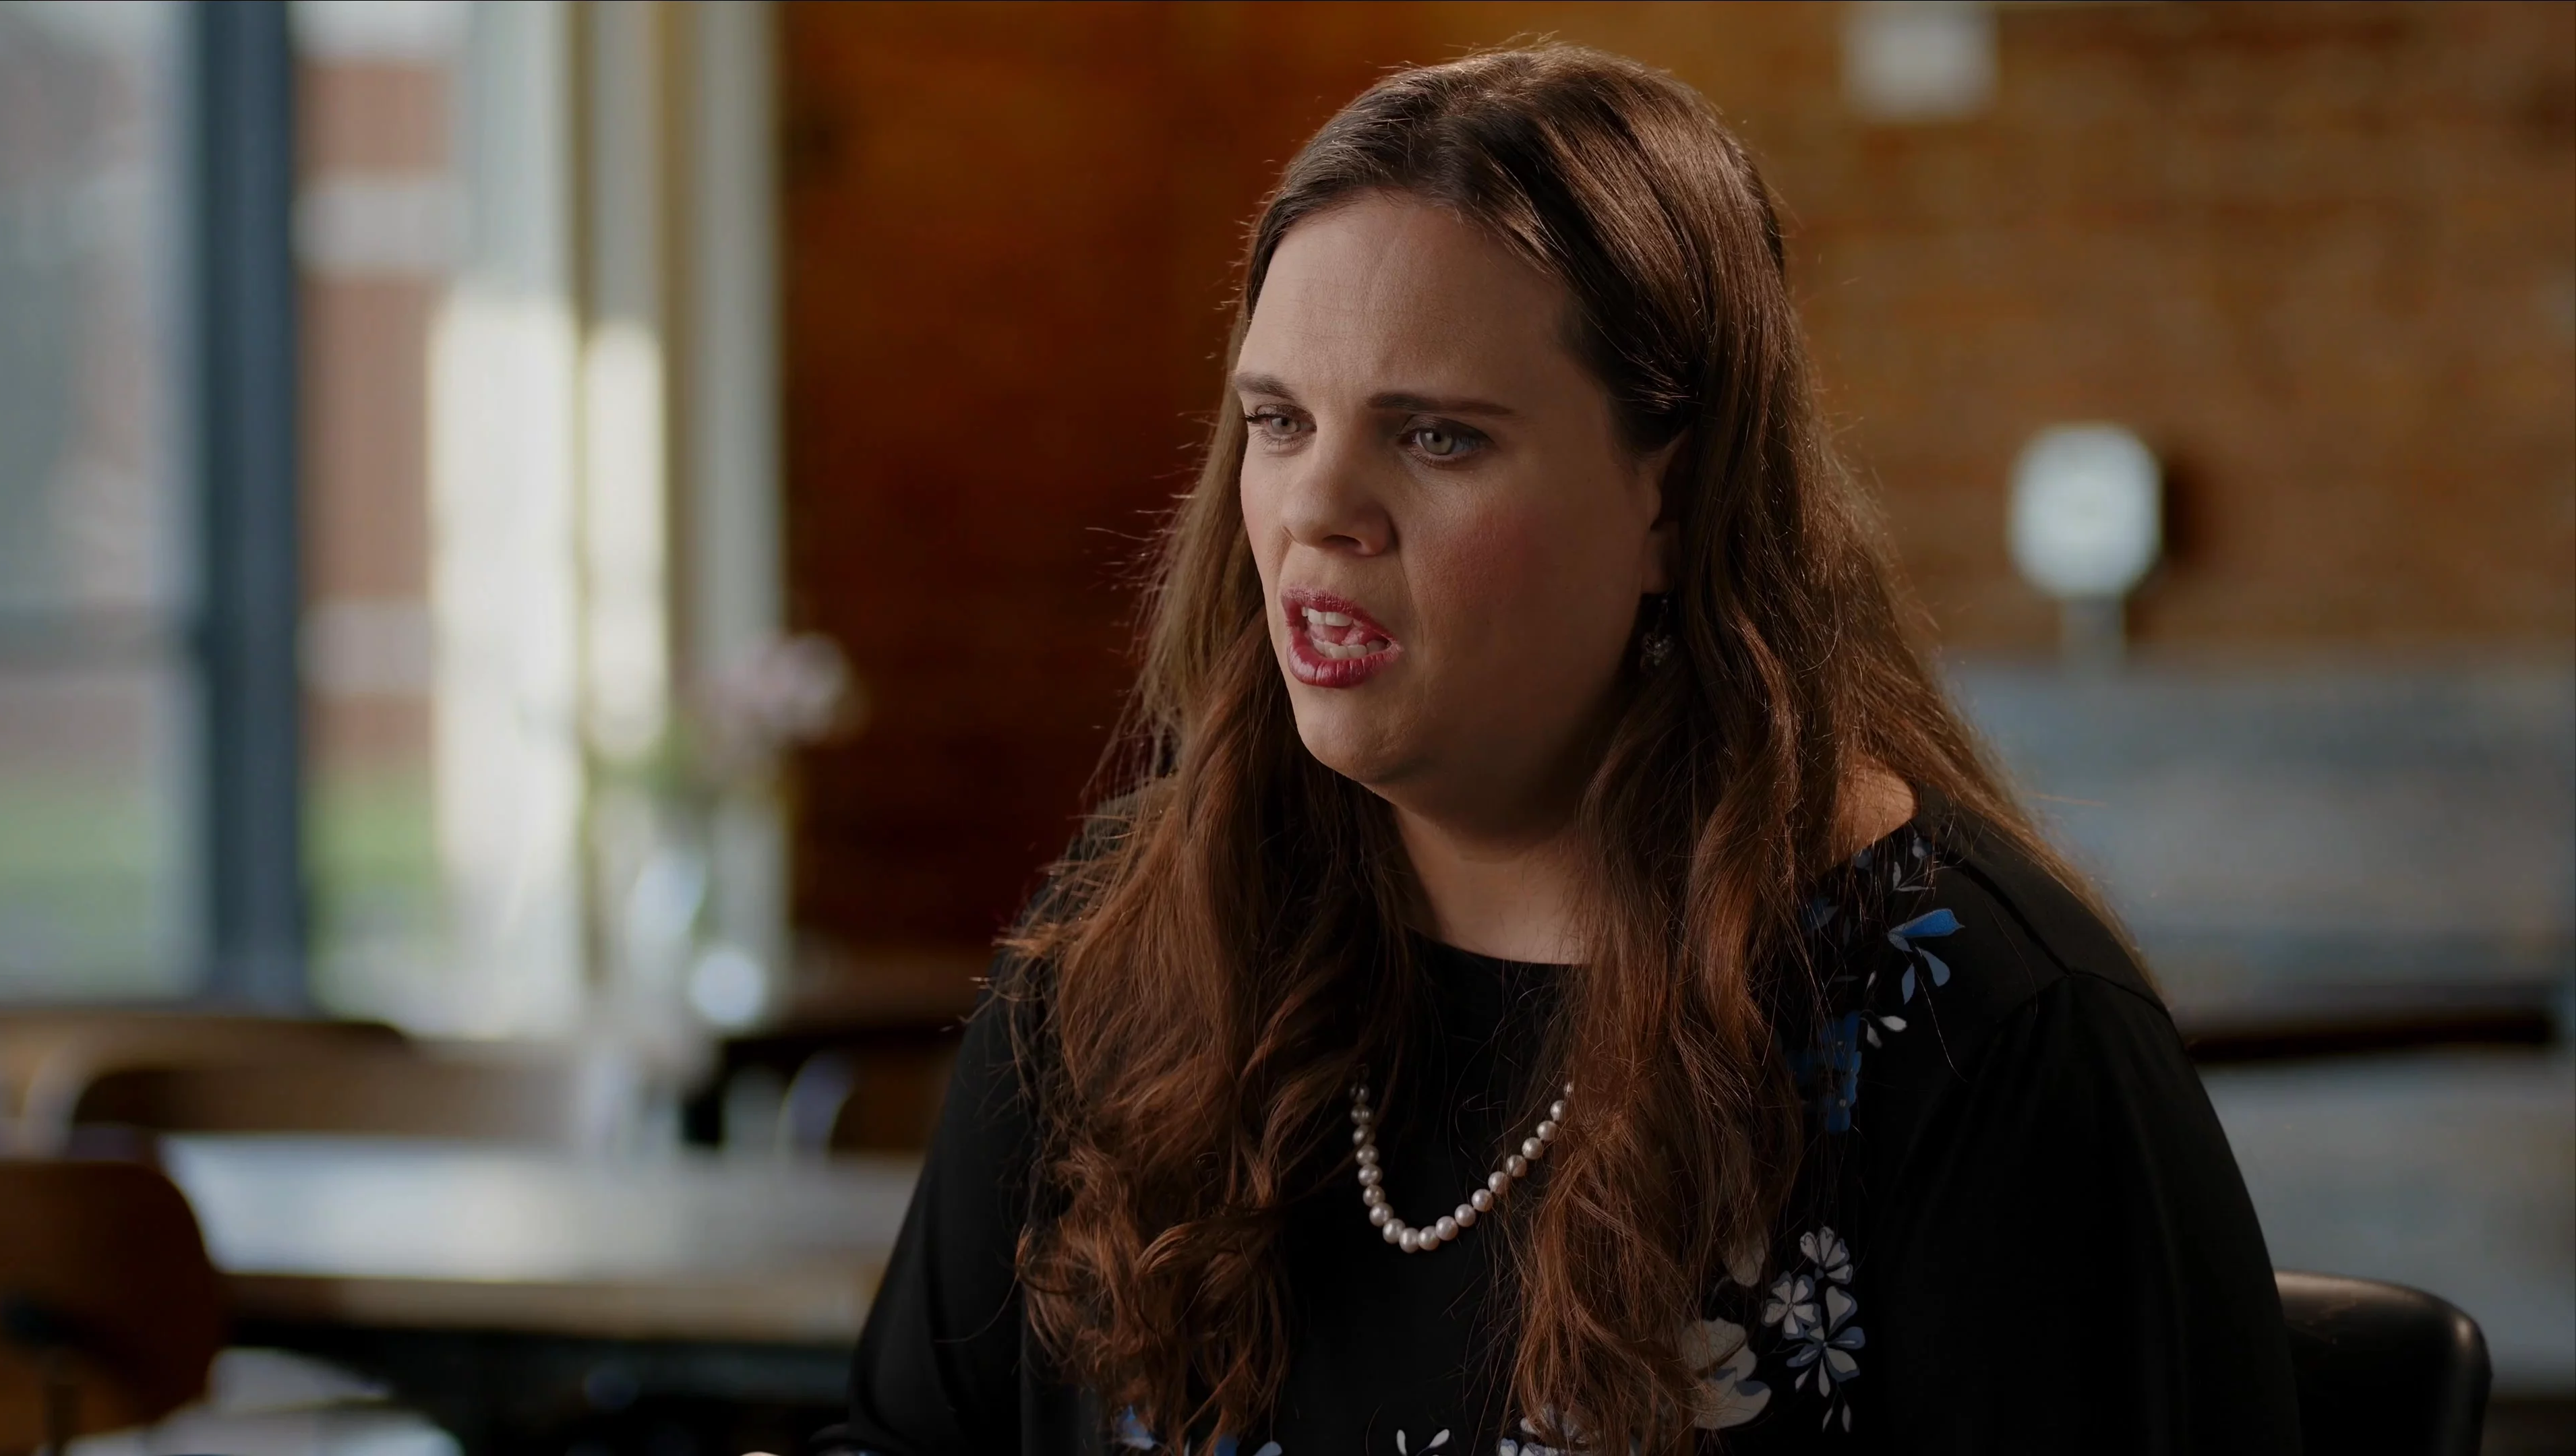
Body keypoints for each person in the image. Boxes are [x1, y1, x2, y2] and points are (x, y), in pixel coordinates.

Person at [824, 44, 2298, 1455]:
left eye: (1437, 437)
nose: (1318, 508)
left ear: (1675, 498)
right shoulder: (1128, 936)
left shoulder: (1986, 1035)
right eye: (1278, 422)